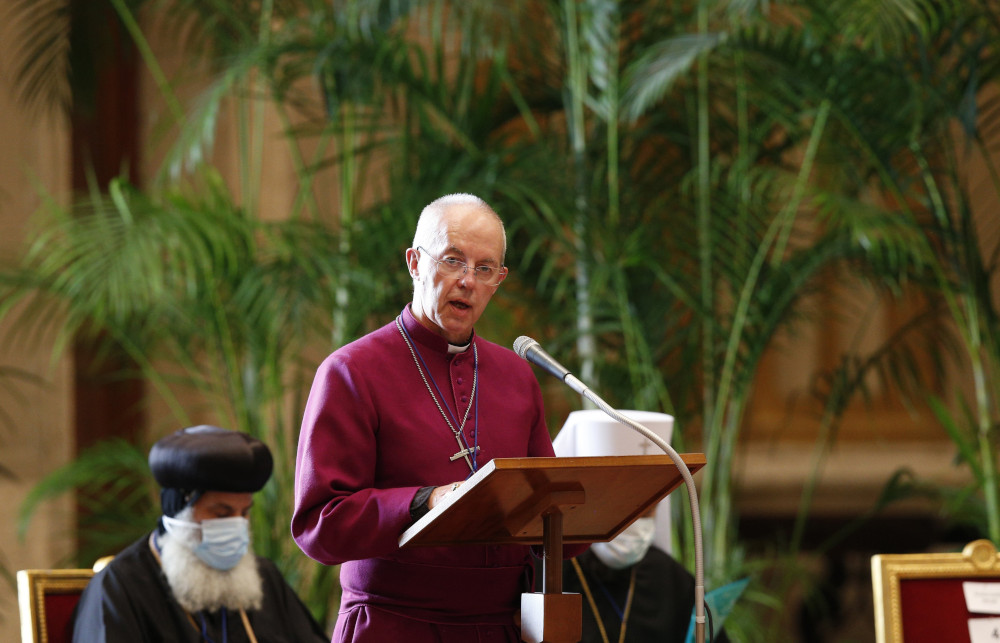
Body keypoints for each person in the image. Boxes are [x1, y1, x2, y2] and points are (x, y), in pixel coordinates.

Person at [291, 193, 586, 642]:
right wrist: (423, 502)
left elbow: (542, 506)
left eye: (484, 269)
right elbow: (320, 524)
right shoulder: (352, 371)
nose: (467, 281)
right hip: (394, 625)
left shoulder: (514, 375)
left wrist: (597, 505)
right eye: (452, 260)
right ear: (414, 262)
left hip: (499, 628)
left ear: (499, 280)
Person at [72, 425, 329, 643]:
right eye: (221, 514)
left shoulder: (265, 578)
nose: (237, 525)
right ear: (178, 511)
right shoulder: (120, 587)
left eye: (244, 513)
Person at [550, 412, 731, 643]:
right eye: (621, 503)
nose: (635, 519)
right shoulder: (545, 574)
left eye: (647, 507)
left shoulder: (671, 579)